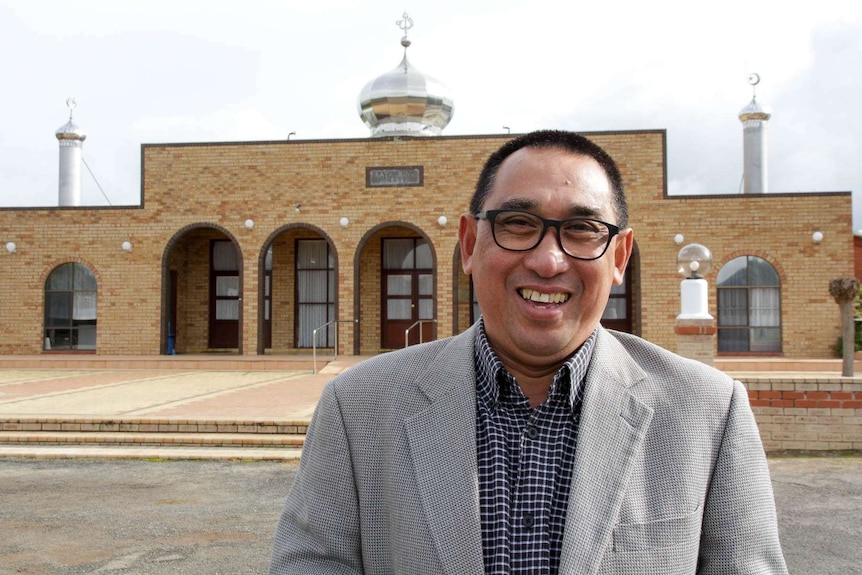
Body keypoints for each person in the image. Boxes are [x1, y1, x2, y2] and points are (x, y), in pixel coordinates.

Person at [269, 130, 788, 574]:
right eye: (519, 224)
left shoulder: (708, 412)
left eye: (583, 230)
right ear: (470, 244)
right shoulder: (358, 407)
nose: (548, 260)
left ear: (619, 256)